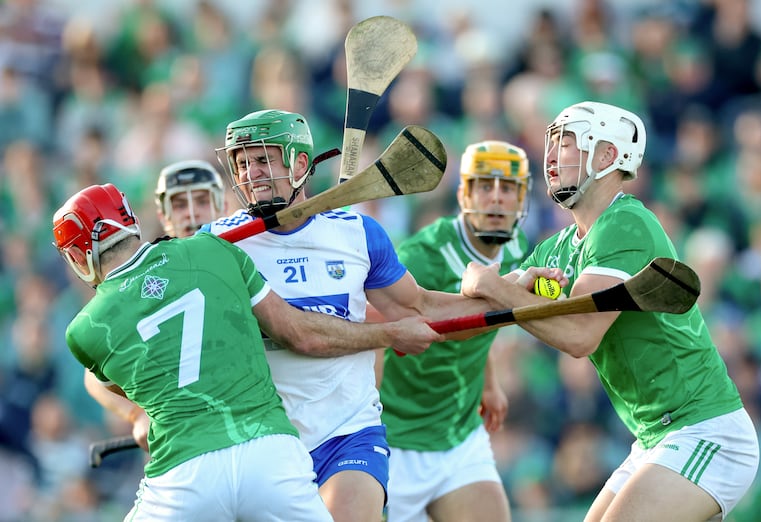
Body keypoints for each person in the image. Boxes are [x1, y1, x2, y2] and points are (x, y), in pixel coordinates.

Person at [52, 183, 443, 521]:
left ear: (76, 255)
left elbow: (129, 384)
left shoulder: (84, 330)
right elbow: (296, 330)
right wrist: (390, 333)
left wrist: (140, 415)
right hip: (271, 452)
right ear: (132, 221)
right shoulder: (213, 250)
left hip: (185, 472)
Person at [458, 101, 759, 522]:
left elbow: (580, 335)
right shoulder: (558, 248)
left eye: (567, 143)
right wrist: (460, 291)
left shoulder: (625, 225)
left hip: (704, 429)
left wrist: (494, 289)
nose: (549, 156)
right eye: (551, 143)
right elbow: (479, 310)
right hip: (654, 436)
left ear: (608, 156)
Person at [203, 109, 491, 522]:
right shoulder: (216, 246)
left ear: (300, 164)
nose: (251, 173)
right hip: (263, 443)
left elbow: (421, 308)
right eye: (243, 163)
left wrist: (511, 298)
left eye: (263, 160)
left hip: (348, 434)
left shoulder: (358, 233)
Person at [378, 140, 531, 522]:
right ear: (464, 193)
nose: (496, 199)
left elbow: (485, 322)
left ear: (521, 197)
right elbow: (378, 338)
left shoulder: (517, 248)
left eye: (508, 188)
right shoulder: (420, 257)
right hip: (398, 439)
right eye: (484, 186)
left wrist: (489, 380)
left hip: (461, 436)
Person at [83, 159, 230, 450]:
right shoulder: (150, 273)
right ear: (163, 215)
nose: (191, 213)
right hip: (189, 432)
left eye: (201, 200)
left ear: (222, 205)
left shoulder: (247, 253)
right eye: (179, 204)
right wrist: (137, 414)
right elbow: (94, 369)